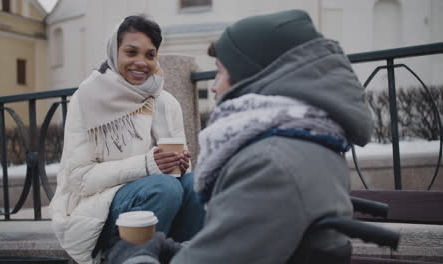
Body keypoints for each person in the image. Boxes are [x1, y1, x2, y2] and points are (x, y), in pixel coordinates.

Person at [108, 9, 374, 264]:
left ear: (254, 76)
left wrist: (133, 257)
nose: (213, 86)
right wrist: (174, 249)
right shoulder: (310, 145)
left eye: (221, 71)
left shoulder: (269, 165)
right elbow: (243, 247)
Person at [49, 15, 205, 264]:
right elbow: (78, 178)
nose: (141, 63)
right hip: (96, 212)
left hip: (159, 202)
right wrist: (147, 165)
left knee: (195, 183)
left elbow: (177, 174)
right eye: (131, 52)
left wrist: (179, 163)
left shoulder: (167, 103)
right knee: (164, 187)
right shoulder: (89, 98)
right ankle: (131, 258)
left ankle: (182, 258)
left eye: (150, 55)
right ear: (115, 51)